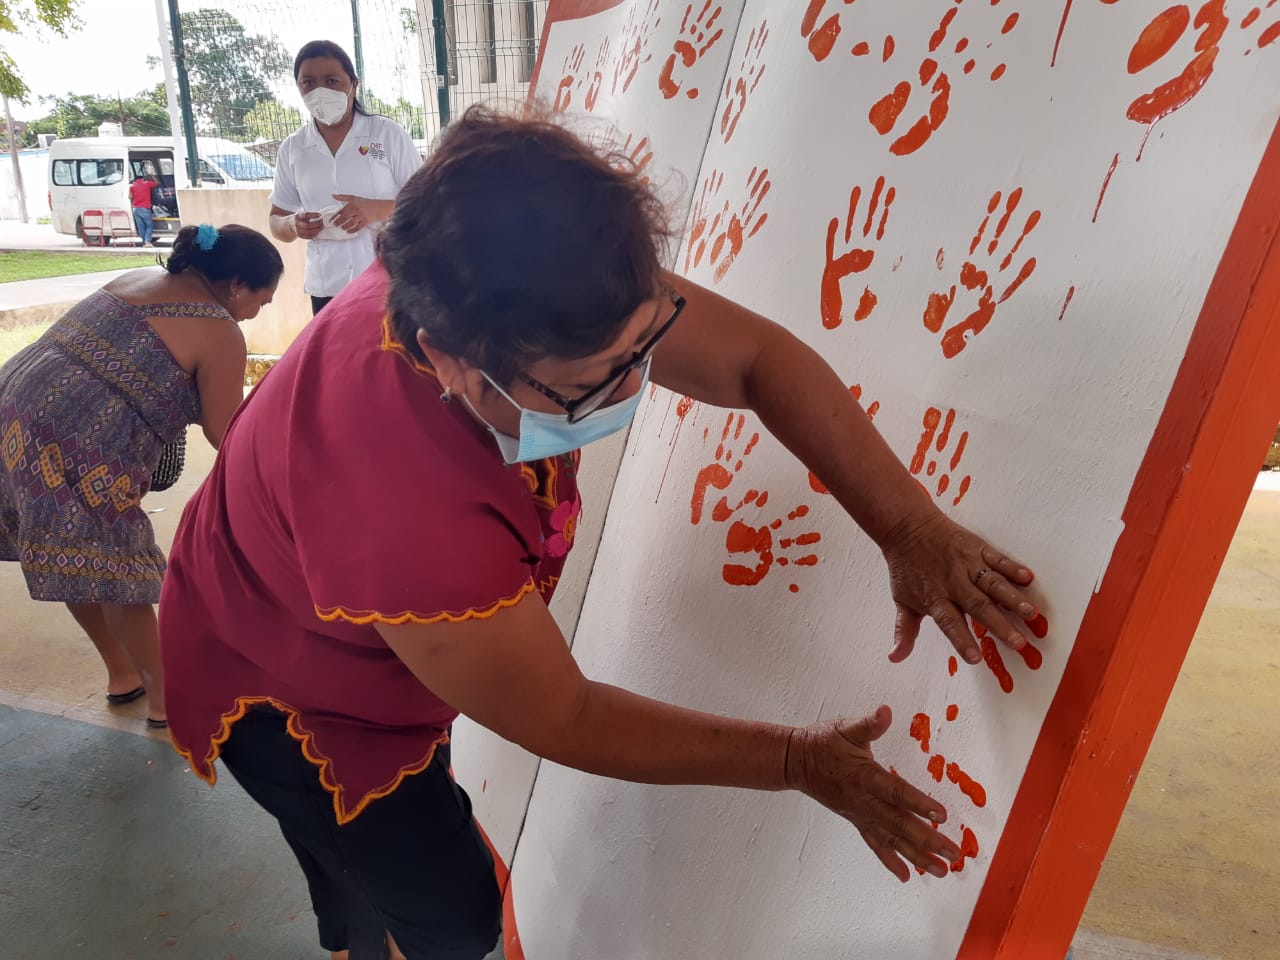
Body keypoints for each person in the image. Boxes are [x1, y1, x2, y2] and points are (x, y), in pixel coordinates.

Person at [160, 108, 1044, 960]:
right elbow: (564, 713)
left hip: (325, 582)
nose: (632, 392)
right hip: (279, 675)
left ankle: (362, 920)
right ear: (450, 361)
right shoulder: (397, 500)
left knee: (369, 866)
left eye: (641, 351)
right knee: (453, 918)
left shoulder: (514, 268)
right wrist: (795, 762)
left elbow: (751, 359)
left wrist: (908, 527)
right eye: (585, 387)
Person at [0, 224, 282, 729]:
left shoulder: (136, 279)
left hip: (16, 404)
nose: (254, 313)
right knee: (117, 566)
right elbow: (225, 431)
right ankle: (167, 699)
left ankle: (123, 672)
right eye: (260, 301)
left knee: (71, 552)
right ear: (236, 284)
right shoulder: (219, 331)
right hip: (76, 435)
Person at [268, 39, 422, 317]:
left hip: (386, 281)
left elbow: (426, 205)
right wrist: (292, 224)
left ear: (353, 84)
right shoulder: (293, 148)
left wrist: (375, 209)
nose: (320, 91)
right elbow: (276, 220)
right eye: (309, 83)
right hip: (326, 286)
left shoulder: (387, 134)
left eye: (331, 81)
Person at [129, 165, 160, 247]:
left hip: (135, 209)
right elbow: (157, 183)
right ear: (143, 179)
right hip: (145, 208)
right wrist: (152, 176)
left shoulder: (132, 186)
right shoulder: (146, 184)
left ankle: (144, 242)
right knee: (149, 225)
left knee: (141, 226)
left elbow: (130, 197)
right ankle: (147, 241)